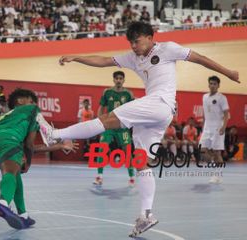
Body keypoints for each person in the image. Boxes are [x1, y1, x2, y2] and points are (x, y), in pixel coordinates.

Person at [38, 22, 239, 237]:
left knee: (107, 119)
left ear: (150, 37)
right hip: (159, 114)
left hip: (159, 103)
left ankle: (54, 134)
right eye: (131, 42)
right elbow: (104, 61)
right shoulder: (133, 57)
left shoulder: (168, 48)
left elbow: (199, 58)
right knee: (141, 161)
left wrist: (228, 72)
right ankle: (145, 216)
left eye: (137, 40)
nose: (134, 45)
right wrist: (76, 57)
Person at [0, 88, 78, 230]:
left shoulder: (8, 115)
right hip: (8, 140)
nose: (34, 104)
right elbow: (29, 144)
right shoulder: (32, 110)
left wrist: (59, 146)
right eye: (32, 101)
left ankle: (23, 215)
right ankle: (3, 203)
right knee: (10, 173)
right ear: (20, 101)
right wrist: (29, 163)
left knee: (15, 175)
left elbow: (28, 148)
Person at [93, 71, 135, 187]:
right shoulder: (107, 92)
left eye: (121, 78)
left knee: (127, 152)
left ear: (123, 80)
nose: (118, 80)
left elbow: (133, 111)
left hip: (122, 127)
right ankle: (99, 177)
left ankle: (131, 177)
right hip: (109, 126)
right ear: (113, 80)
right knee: (102, 148)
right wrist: (99, 123)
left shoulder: (129, 94)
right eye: (116, 78)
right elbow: (101, 108)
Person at [200, 76, 230, 184]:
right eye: (211, 83)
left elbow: (226, 114)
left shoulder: (222, 98)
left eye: (214, 84)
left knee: (217, 152)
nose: (212, 85)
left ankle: (217, 175)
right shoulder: (204, 97)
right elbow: (205, 113)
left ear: (218, 86)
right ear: (208, 84)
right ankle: (214, 166)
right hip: (207, 128)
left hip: (218, 127)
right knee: (202, 150)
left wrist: (223, 127)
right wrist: (203, 127)